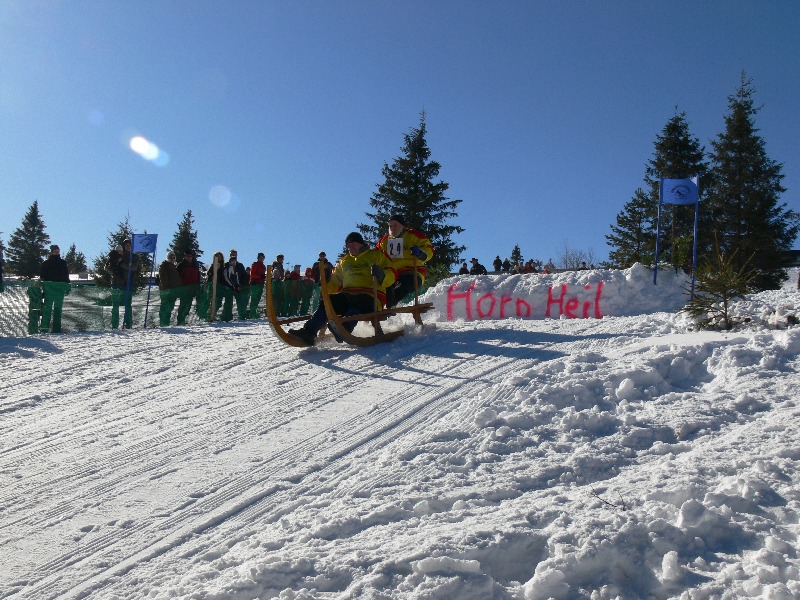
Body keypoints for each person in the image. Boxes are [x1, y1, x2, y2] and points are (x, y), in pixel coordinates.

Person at [288, 231, 396, 346]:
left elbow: (392, 273)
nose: (350, 247)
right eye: (348, 245)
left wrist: (381, 274)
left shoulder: (376, 255)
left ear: (361, 243)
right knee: (328, 302)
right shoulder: (344, 261)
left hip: (371, 296)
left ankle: (344, 328)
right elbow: (336, 281)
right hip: (348, 295)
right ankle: (309, 332)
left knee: (359, 302)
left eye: (353, 244)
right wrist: (327, 282)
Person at [375, 214, 434, 308]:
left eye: (395, 225)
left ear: (403, 226)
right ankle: (379, 305)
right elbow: (375, 255)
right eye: (390, 226)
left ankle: (391, 304)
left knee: (405, 284)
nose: (392, 228)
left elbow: (429, 249)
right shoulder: (384, 241)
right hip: (391, 273)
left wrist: (420, 253)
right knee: (382, 285)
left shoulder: (414, 235)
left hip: (413, 271)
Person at [39, 244, 71, 333]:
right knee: (47, 308)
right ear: (51, 252)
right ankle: (44, 328)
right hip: (49, 289)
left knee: (58, 309)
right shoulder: (46, 263)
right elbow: (42, 276)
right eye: (55, 251)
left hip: (60, 289)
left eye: (58, 251)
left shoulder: (62, 263)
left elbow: (66, 275)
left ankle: (56, 329)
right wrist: (44, 286)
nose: (57, 253)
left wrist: (67, 285)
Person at [109, 239, 139, 329]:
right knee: (115, 305)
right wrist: (114, 269)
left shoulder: (134, 256)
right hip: (116, 283)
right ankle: (114, 325)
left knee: (128, 305)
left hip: (128, 283)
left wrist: (121, 264)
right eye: (126, 245)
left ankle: (128, 324)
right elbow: (108, 266)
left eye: (129, 245)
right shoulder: (116, 255)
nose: (128, 247)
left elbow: (134, 267)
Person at [221, 249, 248, 320]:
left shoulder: (240, 265)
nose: (233, 256)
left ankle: (242, 316)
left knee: (240, 302)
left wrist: (241, 285)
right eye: (232, 254)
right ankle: (226, 317)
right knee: (228, 303)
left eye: (234, 254)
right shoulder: (226, 265)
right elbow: (224, 276)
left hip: (238, 287)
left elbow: (244, 276)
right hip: (228, 287)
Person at [176, 249, 201, 325]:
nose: (189, 258)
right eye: (187, 256)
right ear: (184, 256)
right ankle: (180, 321)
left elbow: (198, 276)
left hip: (194, 288)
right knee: (183, 306)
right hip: (184, 289)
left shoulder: (195, 265)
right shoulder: (181, 265)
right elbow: (177, 277)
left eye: (190, 256)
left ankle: (183, 321)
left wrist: (198, 285)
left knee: (188, 306)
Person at [158, 251, 181, 326]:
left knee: (170, 307)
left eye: (173, 257)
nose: (172, 259)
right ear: (167, 257)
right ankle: (163, 323)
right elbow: (163, 279)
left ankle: (166, 322)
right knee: (165, 307)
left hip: (173, 291)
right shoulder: (164, 266)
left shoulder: (174, 266)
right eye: (170, 257)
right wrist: (166, 289)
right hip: (167, 291)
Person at [248, 252, 267, 318]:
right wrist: (260, 277)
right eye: (260, 257)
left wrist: (263, 277)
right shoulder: (255, 264)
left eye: (262, 258)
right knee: (254, 299)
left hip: (260, 284)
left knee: (258, 299)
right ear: (258, 258)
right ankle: (252, 313)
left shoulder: (263, 266)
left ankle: (254, 312)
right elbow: (252, 274)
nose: (261, 259)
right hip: (255, 284)